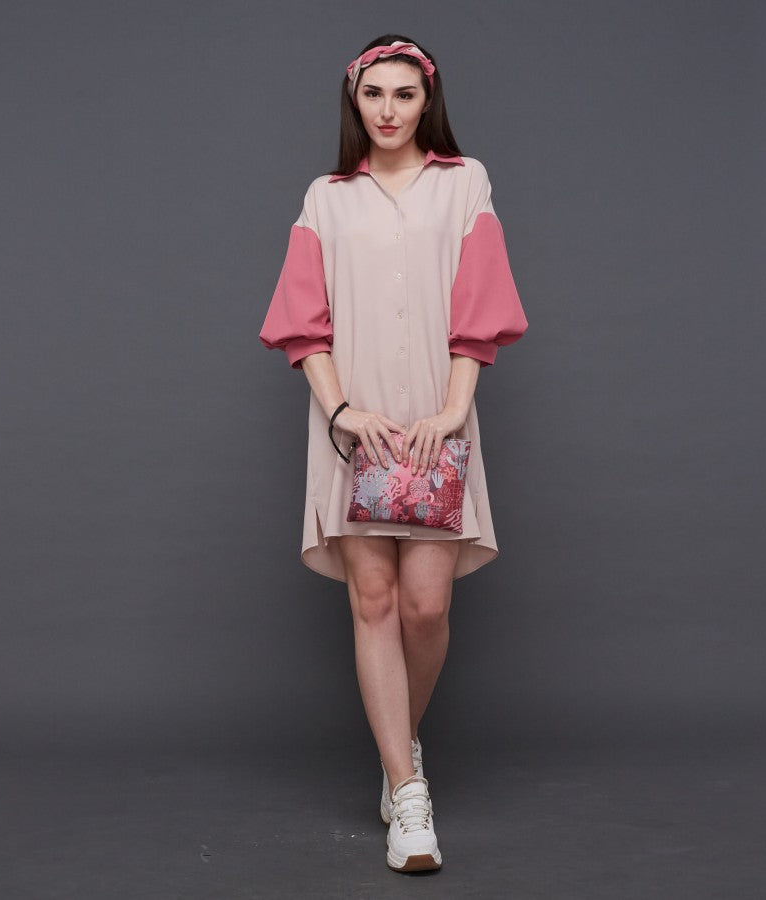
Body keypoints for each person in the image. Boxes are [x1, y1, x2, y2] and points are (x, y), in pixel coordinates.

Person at [258, 34, 528, 873]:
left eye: (404, 94)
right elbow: (303, 321)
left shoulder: (465, 183)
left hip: (437, 422)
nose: (388, 110)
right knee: (372, 600)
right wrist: (340, 411)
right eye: (374, 93)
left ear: (426, 101)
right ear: (354, 99)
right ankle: (409, 797)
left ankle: (395, 746)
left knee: (425, 608)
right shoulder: (326, 198)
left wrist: (454, 409)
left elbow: (479, 305)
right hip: (356, 426)